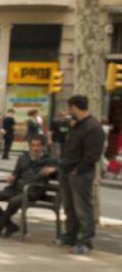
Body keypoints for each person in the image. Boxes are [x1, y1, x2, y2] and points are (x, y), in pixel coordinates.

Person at [57, 94, 105, 255]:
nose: (68, 111)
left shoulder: (93, 127)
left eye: (70, 108)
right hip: (67, 170)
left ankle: (85, 240)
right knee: (70, 206)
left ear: (75, 107)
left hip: (80, 173)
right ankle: (70, 235)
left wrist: (77, 170)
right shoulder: (77, 125)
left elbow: (92, 155)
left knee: (83, 207)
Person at [0, 134, 58, 237]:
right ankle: (10, 226)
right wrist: (12, 177)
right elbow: (16, 173)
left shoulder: (49, 159)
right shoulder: (23, 158)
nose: (35, 148)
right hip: (16, 188)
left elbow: (63, 167)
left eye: (38, 145)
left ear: (43, 146)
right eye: (33, 145)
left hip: (32, 191)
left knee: (14, 201)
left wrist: (54, 169)